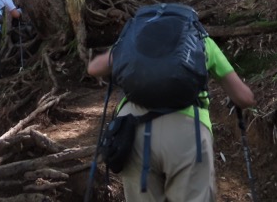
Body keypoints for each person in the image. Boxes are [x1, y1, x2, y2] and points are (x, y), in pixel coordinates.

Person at [87, 20, 255, 202]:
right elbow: (244, 98)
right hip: (188, 135)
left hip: (133, 133)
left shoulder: (131, 42)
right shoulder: (201, 41)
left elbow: (94, 68)